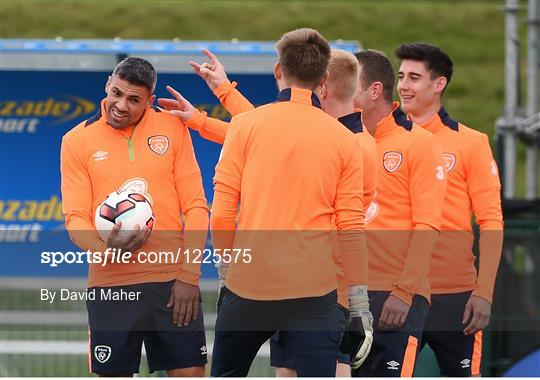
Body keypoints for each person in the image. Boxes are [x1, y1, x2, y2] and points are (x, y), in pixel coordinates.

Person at [159, 48, 378, 377]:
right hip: (309, 289)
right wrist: (215, 101)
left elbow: (263, 132)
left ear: (325, 87)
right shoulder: (338, 138)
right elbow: (270, 130)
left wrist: (226, 273)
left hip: (319, 290)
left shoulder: (353, 145)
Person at [210, 28, 368, 377]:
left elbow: (221, 213)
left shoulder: (244, 126)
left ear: (277, 70)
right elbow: (351, 228)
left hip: (248, 285)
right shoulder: (345, 140)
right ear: (323, 80)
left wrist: (226, 274)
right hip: (315, 292)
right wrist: (359, 305)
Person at [60, 57, 209, 377]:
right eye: (116, 93)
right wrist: (105, 250)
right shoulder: (76, 141)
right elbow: (75, 218)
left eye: (133, 100)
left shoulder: (172, 126)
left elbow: (196, 207)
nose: (121, 105)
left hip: (172, 284)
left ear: (149, 101)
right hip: (111, 286)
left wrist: (188, 276)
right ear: (107, 84)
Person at [396, 43, 504, 376]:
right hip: (397, 294)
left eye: (414, 78)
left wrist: (483, 292)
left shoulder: (470, 142)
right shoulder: (380, 138)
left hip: (454, 297)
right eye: (401, 76)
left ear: (438, 84)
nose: (403, 85)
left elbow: (490, 221)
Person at [351, 49, 447, 377]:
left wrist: (404, 292)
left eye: (348, 82)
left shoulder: (419, 144)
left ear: (373, 90)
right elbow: (268, 131)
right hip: (346, 294)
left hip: (395, 295)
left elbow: (428, 225)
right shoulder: (342, 140)